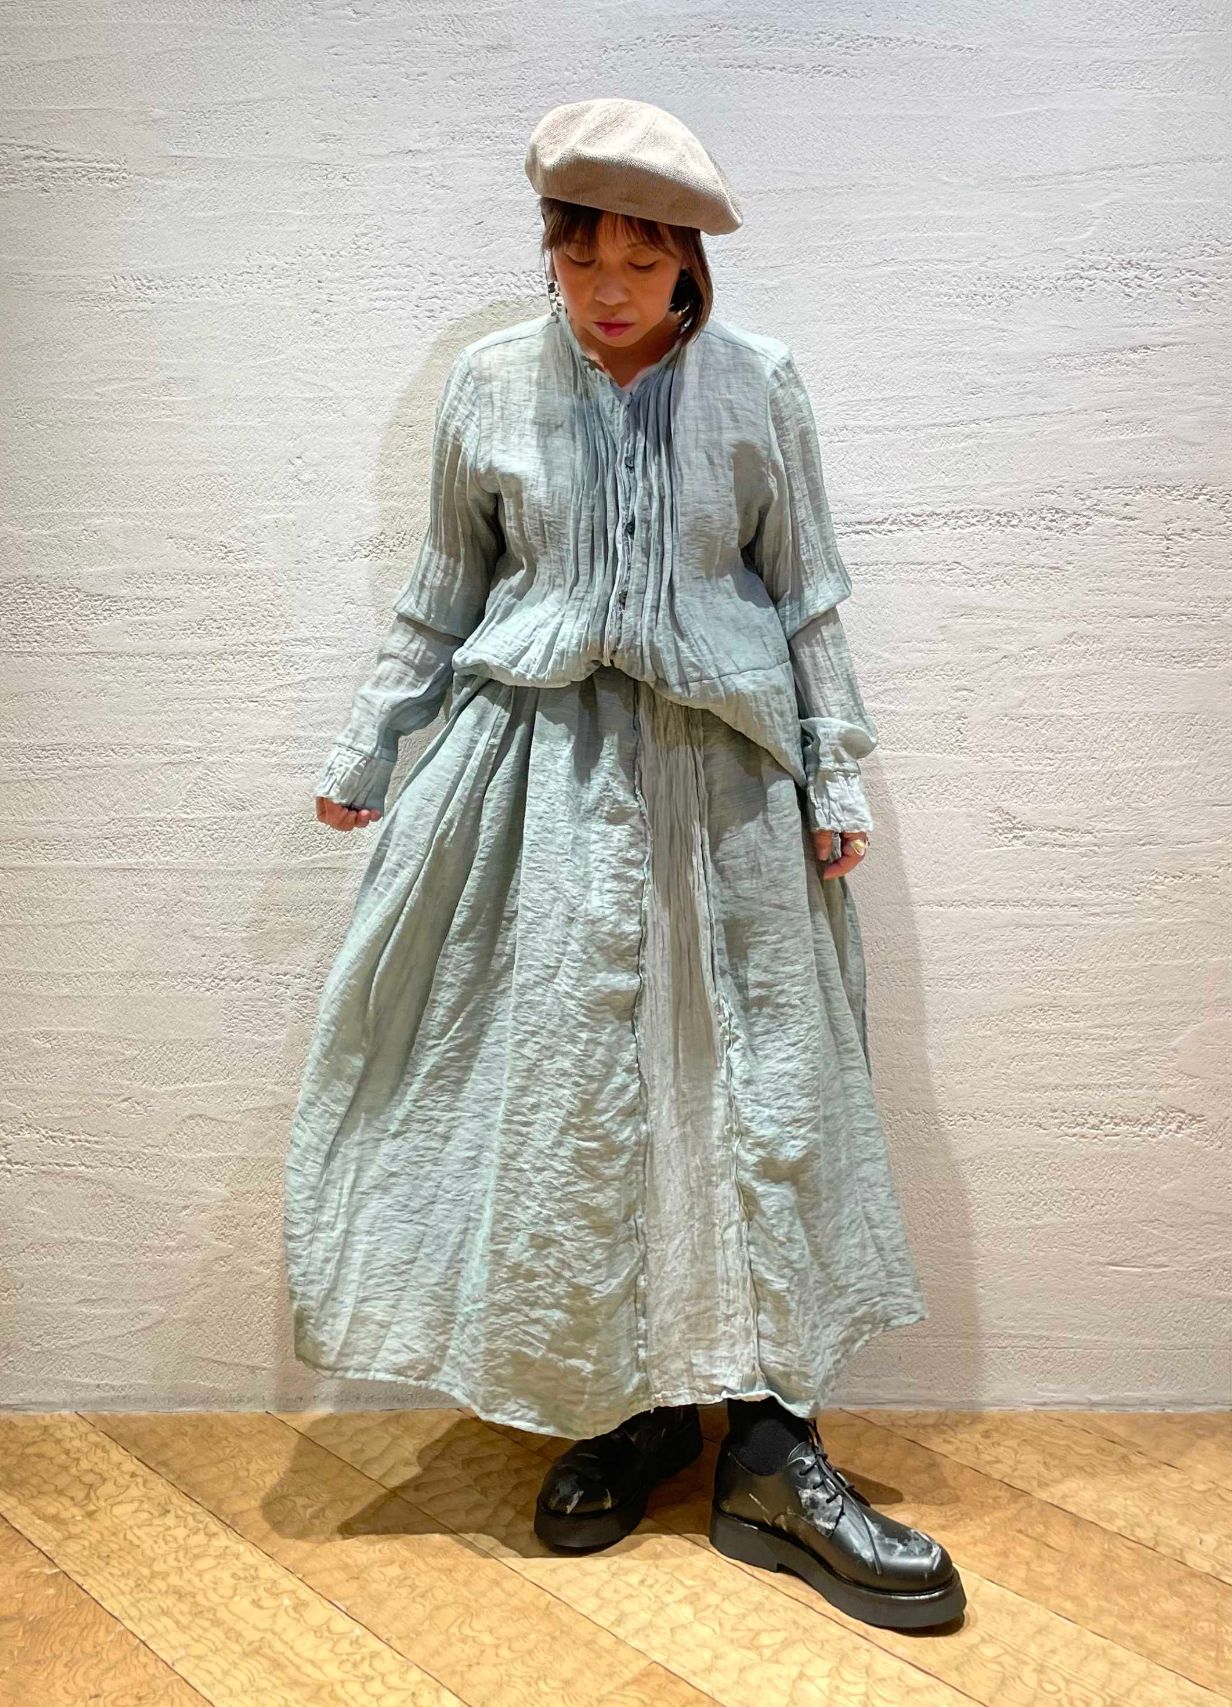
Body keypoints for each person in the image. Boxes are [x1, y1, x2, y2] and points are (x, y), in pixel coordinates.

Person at [285, 97, 966, 1631]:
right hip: (542, 785)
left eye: (641, 262)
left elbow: (806, 596)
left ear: (690, 265)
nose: (608, 288)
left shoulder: (758, 385)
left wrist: (835, 769)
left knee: (760, 1093)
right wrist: (367, 747)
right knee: (580, 1102)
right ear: (550, 250)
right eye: (581, 254)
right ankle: (627, 1406)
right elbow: (442, 590)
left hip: (727, 790)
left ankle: (773, 1451)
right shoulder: (489, 385)